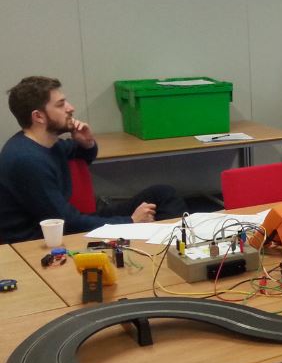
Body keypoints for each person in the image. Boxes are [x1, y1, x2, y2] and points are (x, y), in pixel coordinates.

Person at [0, 76, 187, 243]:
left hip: (68, 222)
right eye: (60, 104)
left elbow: (83, 155)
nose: (70, 108)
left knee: (162, 194)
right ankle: (166, 246)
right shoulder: (26, 160)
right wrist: (131, 221)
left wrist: (87, 143)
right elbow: (67, 222)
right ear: (38, 116)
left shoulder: (47, 144)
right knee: (147, 212)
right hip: (40, 241)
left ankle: (172, 245)